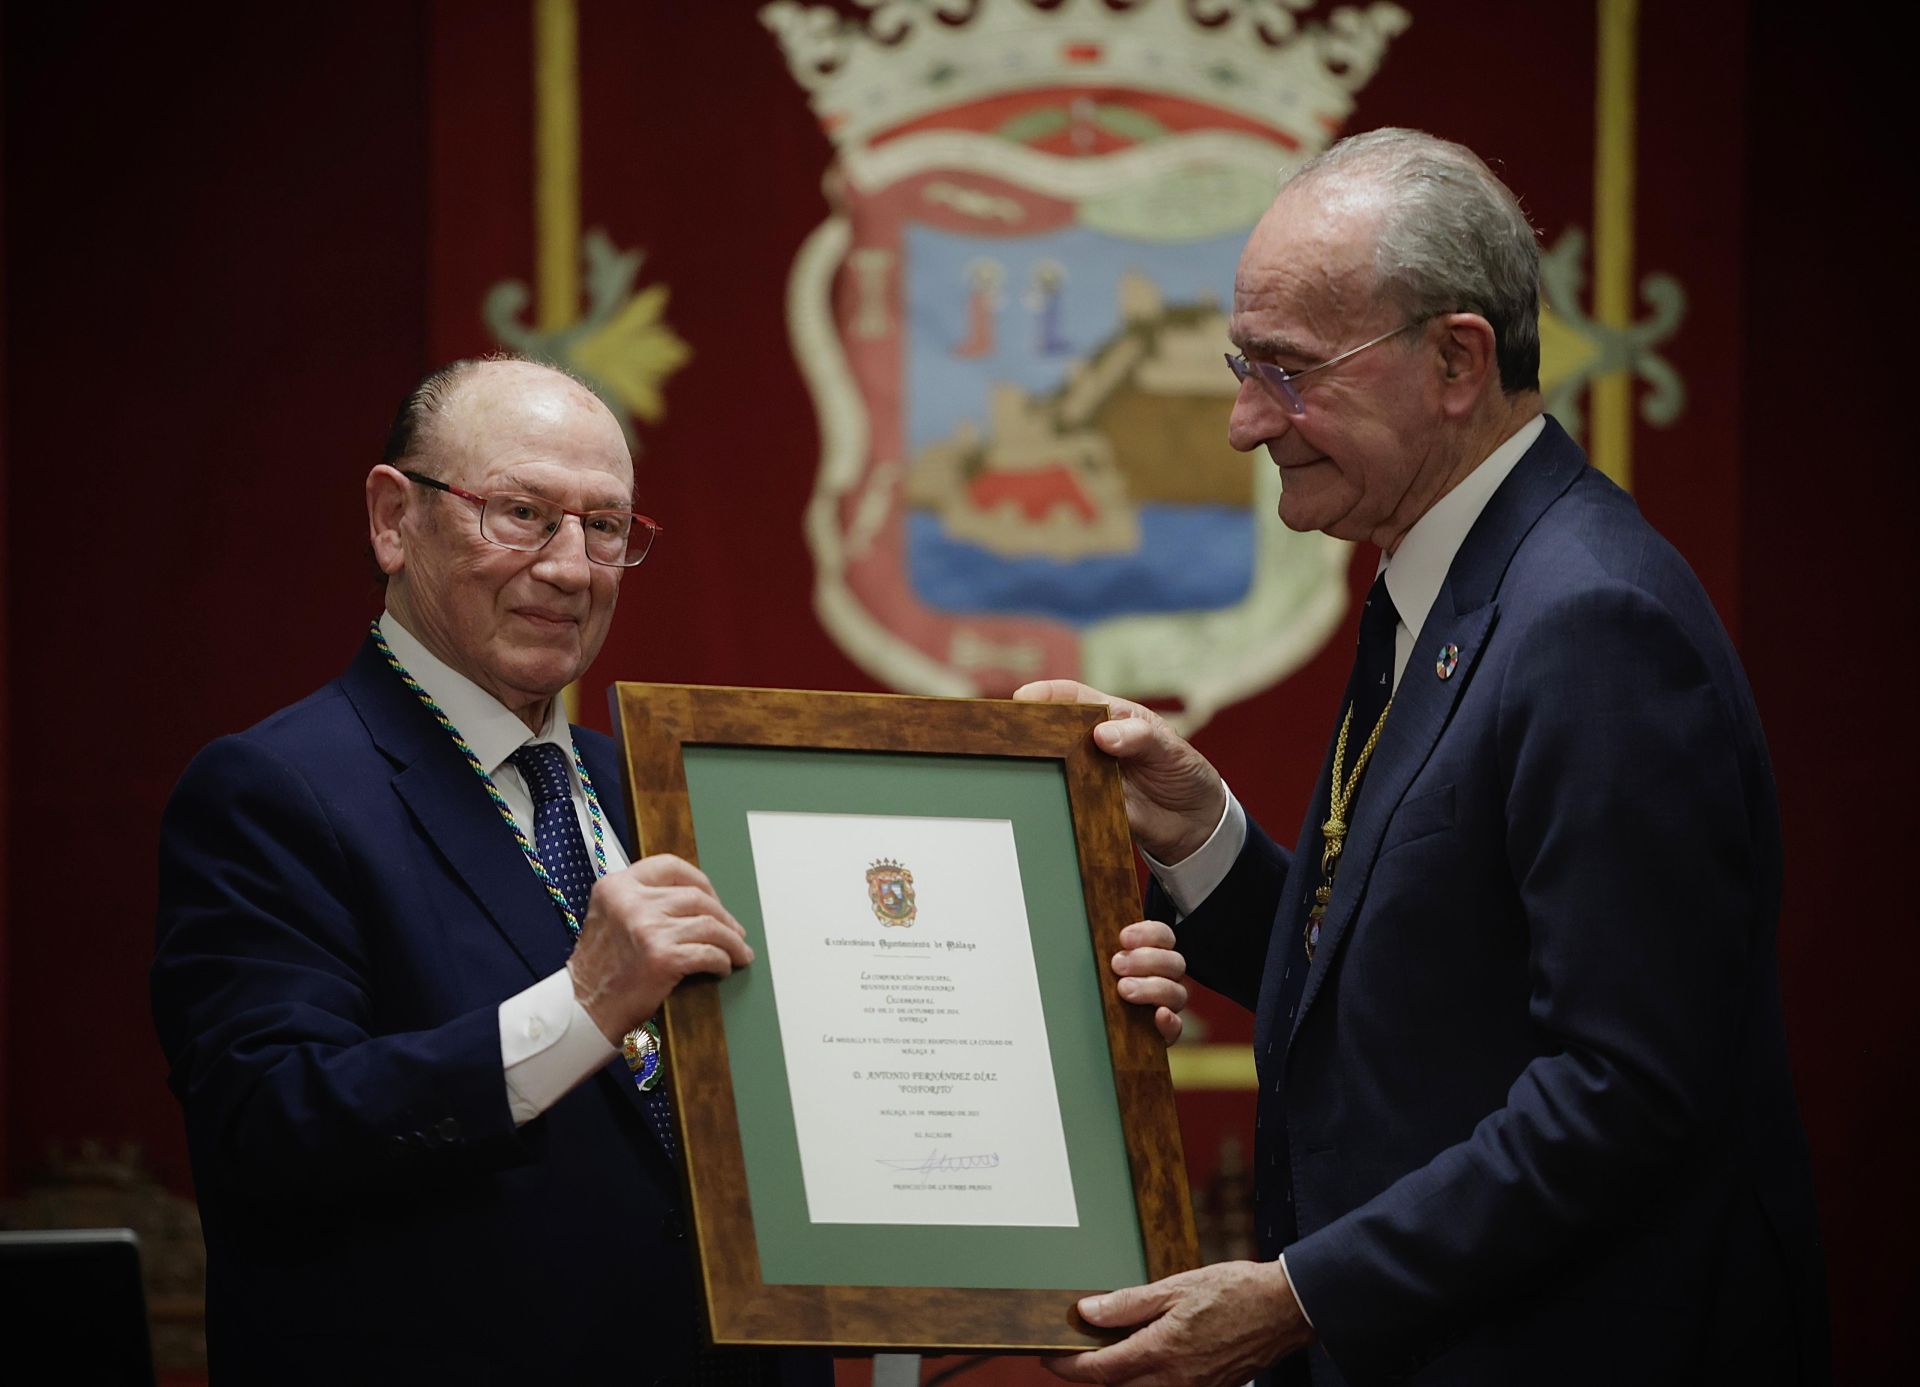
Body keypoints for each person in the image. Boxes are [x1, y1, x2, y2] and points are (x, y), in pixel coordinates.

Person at [151, 356, 1190, 1383]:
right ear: (393, 518)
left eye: (603, 526)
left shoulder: (670, 788)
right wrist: (579, 1007)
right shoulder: (277, 790)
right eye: (519, 511)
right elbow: (267, 1131)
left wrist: (1061, 1010)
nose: (568, 566)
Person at [1023, 129, 1827, 1386]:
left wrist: (1297, 1297)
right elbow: (1414, 983)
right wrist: (1201, 834)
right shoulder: (1446, 583)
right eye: (1243, 368)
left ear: (1456, 360)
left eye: (1287, 373)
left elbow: (1623, 1094)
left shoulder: (1591, 622)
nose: (1244, 423)